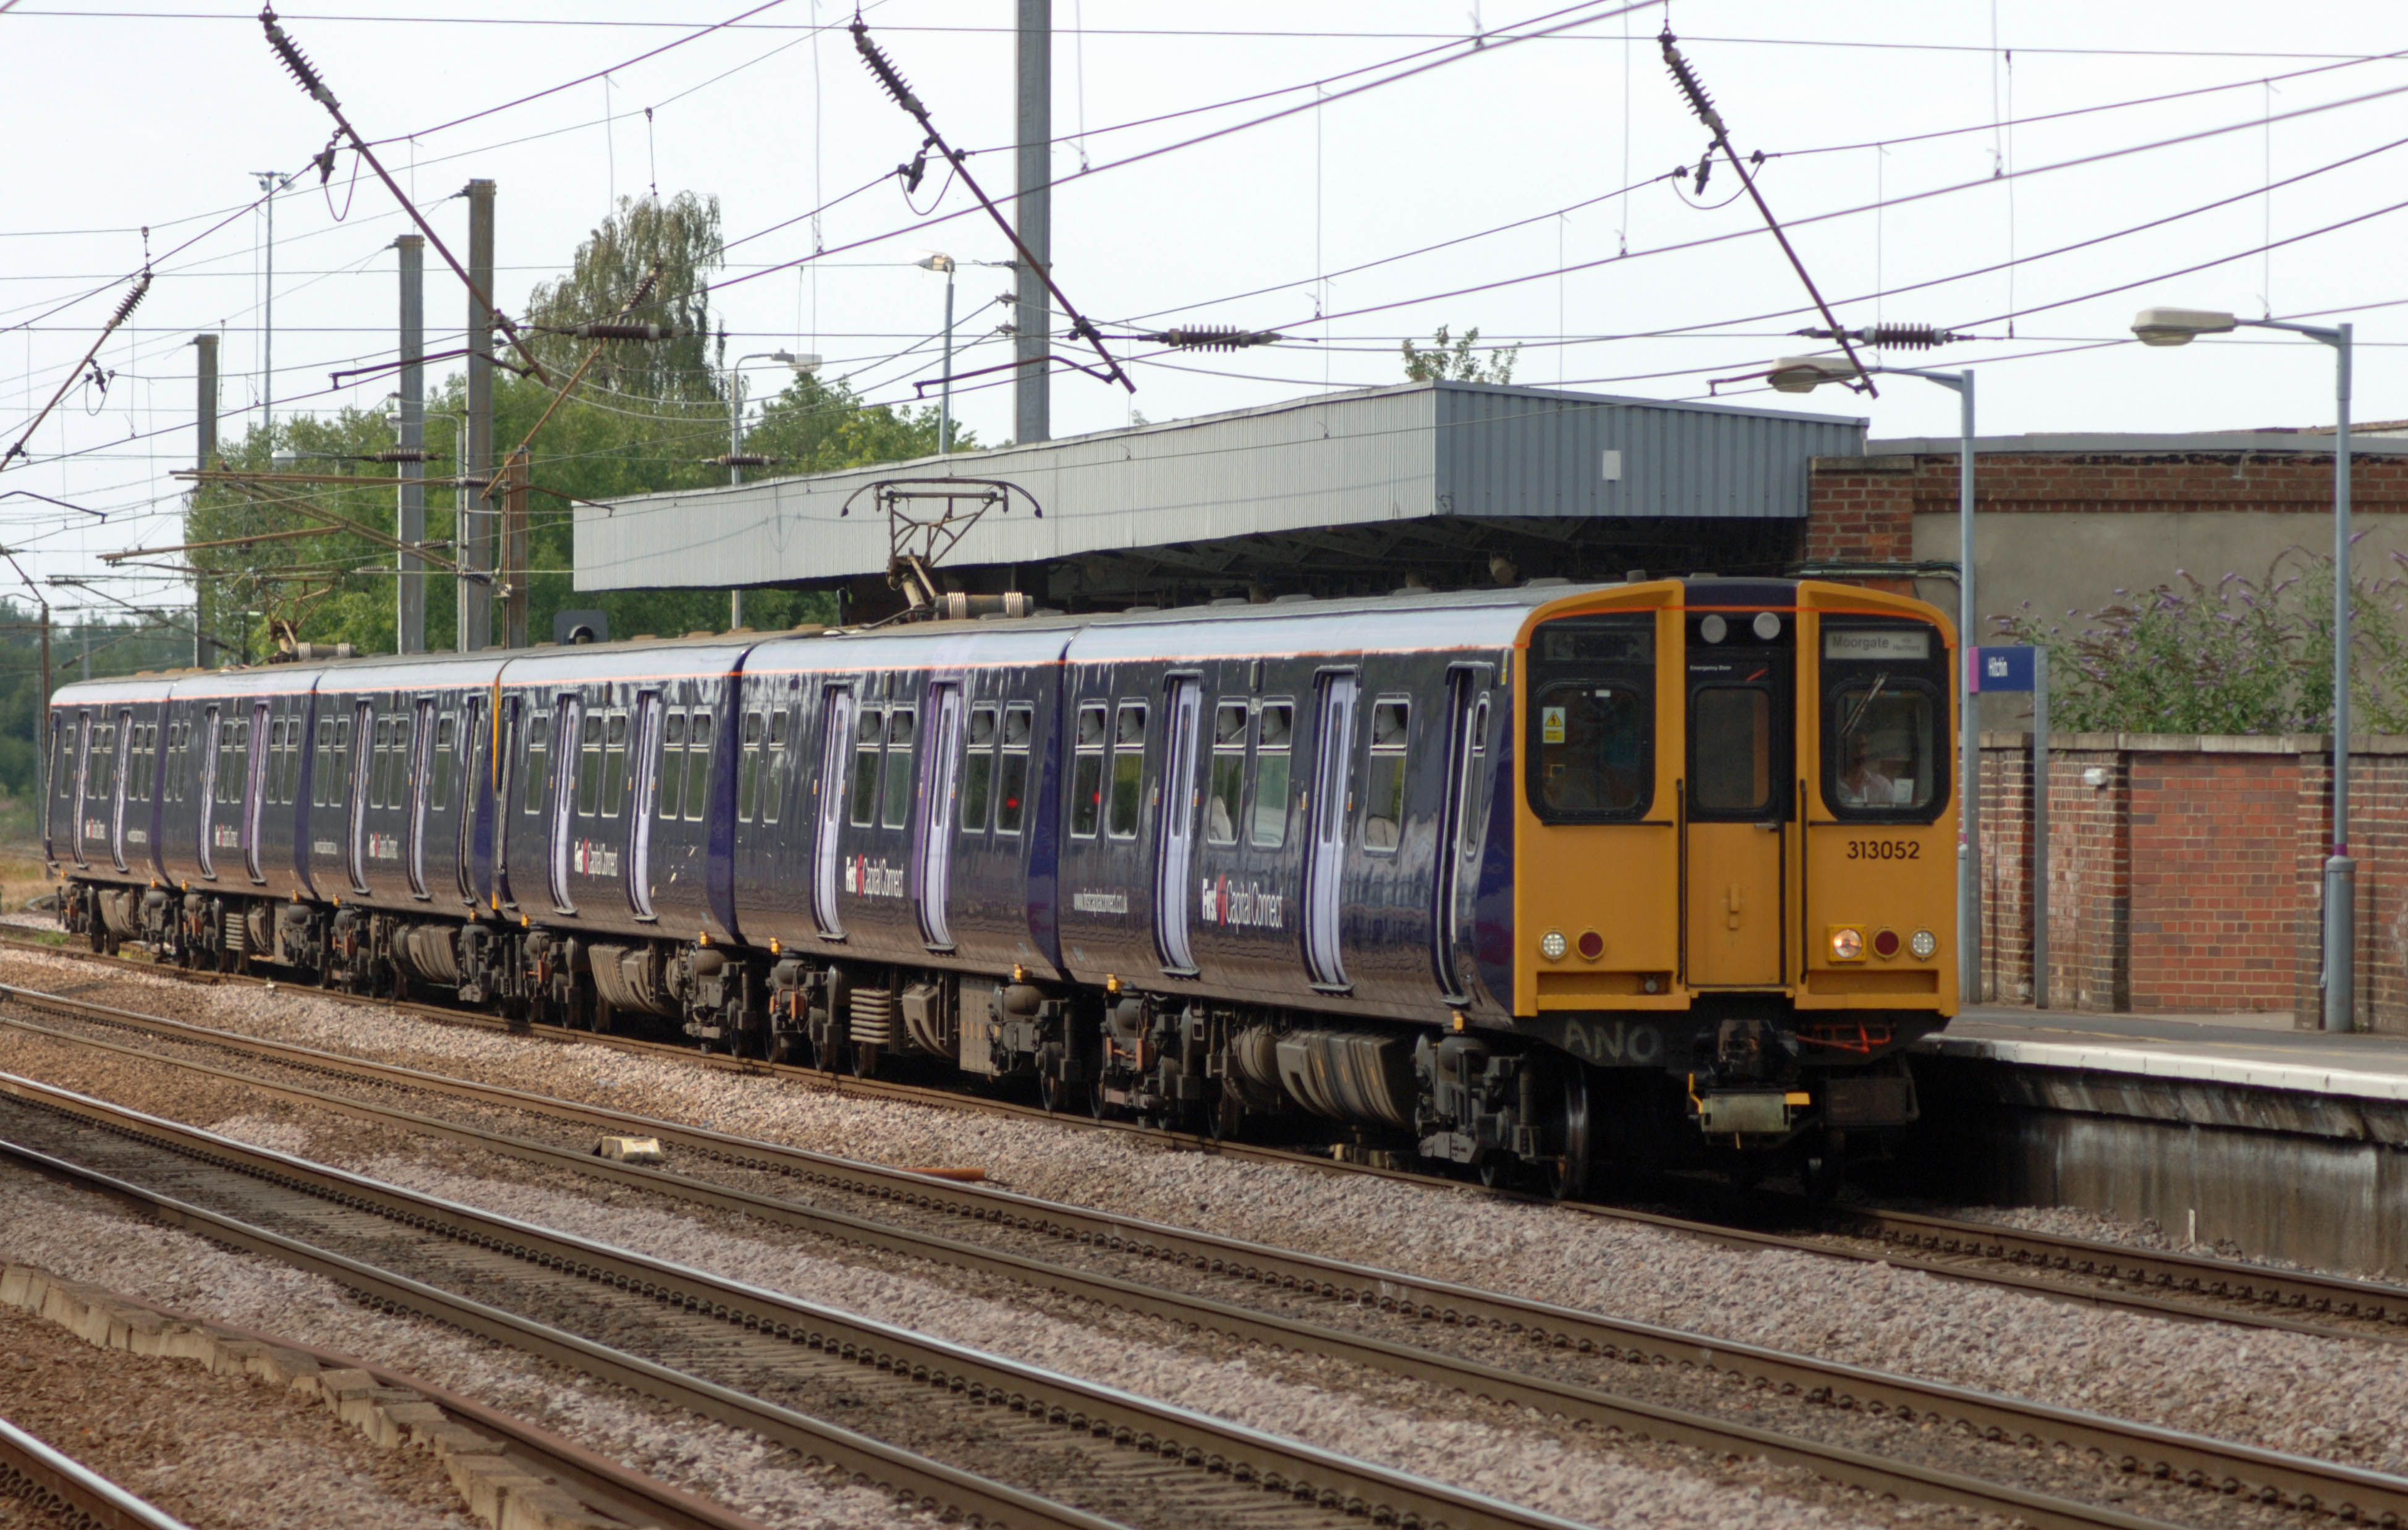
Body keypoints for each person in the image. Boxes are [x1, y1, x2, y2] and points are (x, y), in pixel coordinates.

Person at [1839, 731, 1896, 808]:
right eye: (1854, 747)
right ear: (1844, 750)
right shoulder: (1830, 786)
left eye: (1863, 746)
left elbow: (1892, 816)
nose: (1860, 752)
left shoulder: (1883, 786)